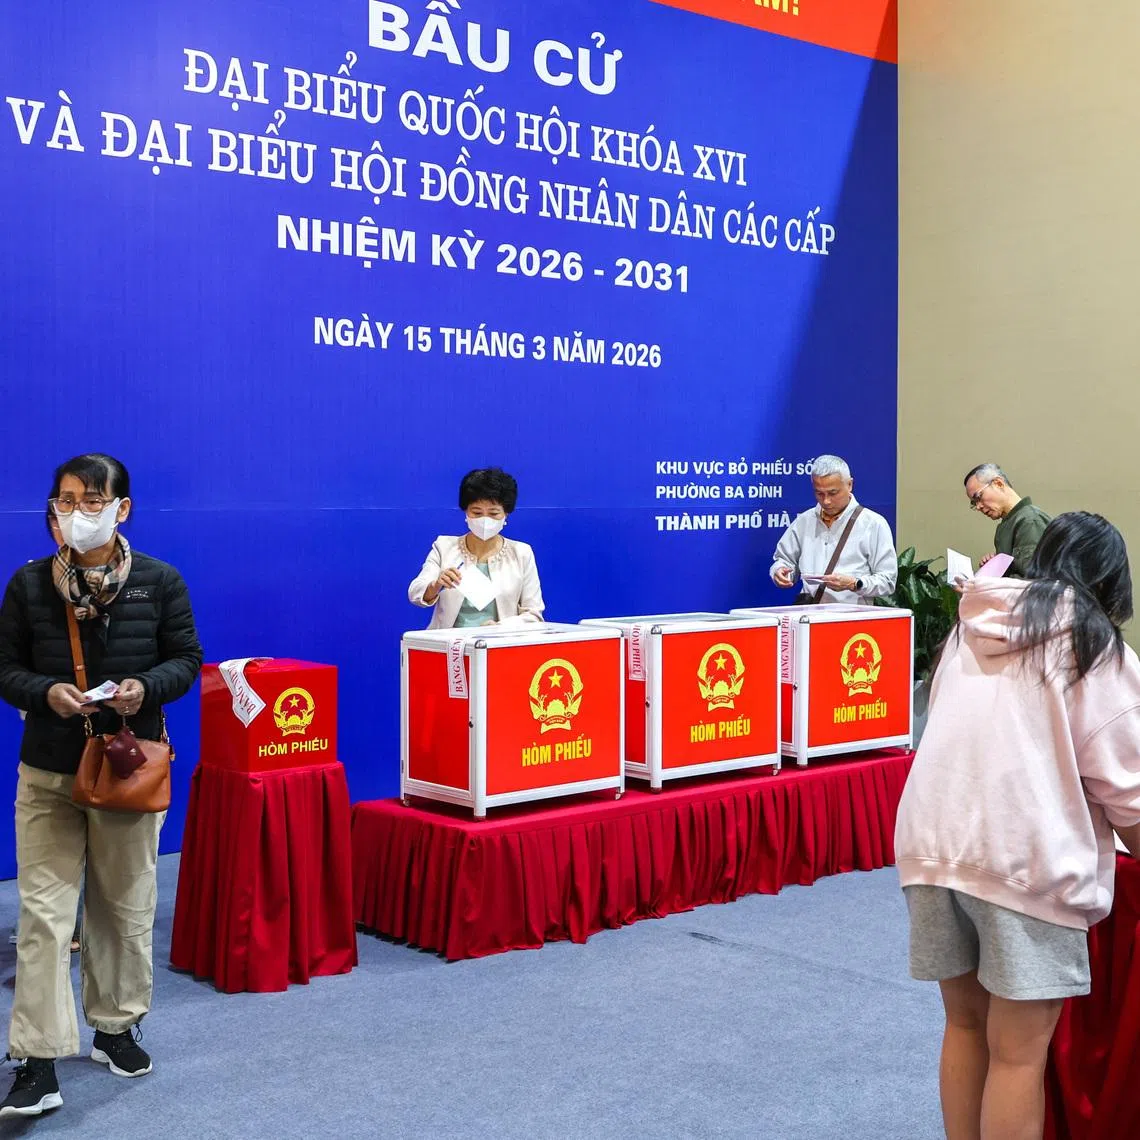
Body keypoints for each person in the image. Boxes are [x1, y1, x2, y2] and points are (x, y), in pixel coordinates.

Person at [895, 511, 1140, 1140]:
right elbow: (1129, 785)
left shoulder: (970, 623)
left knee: (964, 1027)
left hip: (932, 843)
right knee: (1018, 1056)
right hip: (1023, 855)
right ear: (1111, 580)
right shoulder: (1092, 641)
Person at [0, 454, 202, 1119]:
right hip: (49, 770)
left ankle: (115, 1027)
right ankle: (36, 1060)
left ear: (122, 508)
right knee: (44, 915)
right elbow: (5, 668)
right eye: (66, 500)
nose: (77, 512)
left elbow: (186, 659)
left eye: (92, 500)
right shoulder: (29, 583)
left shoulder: (159, 581)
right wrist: (45, 692)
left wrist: (146, 687)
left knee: (123, 905)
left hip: (127, 768)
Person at [409, 467, 544, 629]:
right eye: (477, 512)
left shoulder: (521, 553)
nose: (485, 520)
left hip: (500, 640)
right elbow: (415, 593)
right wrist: (436, 585)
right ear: (466, 512)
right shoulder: (444, 547)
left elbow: (533, 614)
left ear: (506, 514)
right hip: (449, 641)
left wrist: (500, 628)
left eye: (493, 513)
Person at [769, 454, 897, 604]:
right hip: (810, 613)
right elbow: (784, 560)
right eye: (819, 493)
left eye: (832, 493)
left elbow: (888, 581)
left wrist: (854, 583)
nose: (826, 501)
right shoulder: (804, 521)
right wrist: (780, 571)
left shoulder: (873, 524)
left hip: (854, 615)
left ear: (850, 485)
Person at [963, 462, 1051, 576]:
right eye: (974, 503)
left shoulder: (1030, 521)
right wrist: (995, 565)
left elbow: (1034, 579)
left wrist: (989, 583)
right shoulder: (1010, 523)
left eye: (978, 497)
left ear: (998, 483)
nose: (978, 506)